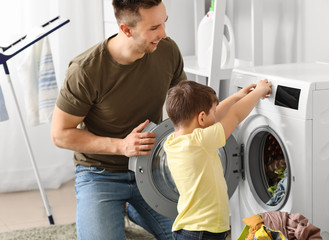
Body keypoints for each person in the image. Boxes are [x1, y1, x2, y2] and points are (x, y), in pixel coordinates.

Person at [50, 0, 186, 239]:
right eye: (154, 28)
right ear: (126, 29)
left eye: (164, 23)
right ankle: (120, 206)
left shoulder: (167, 50)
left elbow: (186, 104)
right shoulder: (86, 70)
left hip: (151, 168)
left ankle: (132, 209)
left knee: (191, 235)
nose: (163, 33)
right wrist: (121, 146)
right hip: (99, 173)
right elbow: (60, 134)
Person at [163, 79, 272, 240]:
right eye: (213, 112)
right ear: (201, 118)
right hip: (203, 232)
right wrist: (259, 92)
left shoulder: (173, 141)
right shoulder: (200, 141)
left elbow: (211, 117)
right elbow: (235, 115)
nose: (216, 116)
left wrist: (236, 97)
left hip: (190, 229)